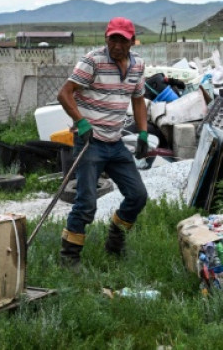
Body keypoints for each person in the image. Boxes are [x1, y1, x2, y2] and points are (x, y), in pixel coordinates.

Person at [56, 17, 150, 266]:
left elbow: (138, 99)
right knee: (86, 203)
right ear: (106, 39)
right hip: (90, 142)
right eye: (113, 39)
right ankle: (69, 258)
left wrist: (142, 132)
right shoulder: (93, 61)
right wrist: (81, 122)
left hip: (115, 142)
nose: (117, 44)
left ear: (132, 41)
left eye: (122, 40)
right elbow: (64, 93)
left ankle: (115, 243)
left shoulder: (138, 65)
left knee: (138, 195)